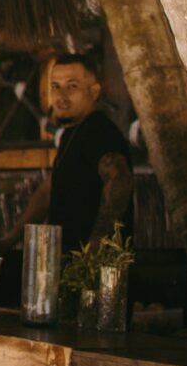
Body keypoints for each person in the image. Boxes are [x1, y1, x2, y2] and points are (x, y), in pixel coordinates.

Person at [8, 54, 134, 256]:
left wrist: (94, 249)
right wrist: (9, 240)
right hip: (68, 263)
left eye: (72, 86)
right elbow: (48, 191)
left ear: (94, 91)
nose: (61, 95)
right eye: (55, 86)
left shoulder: (99, 131)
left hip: (91, 272)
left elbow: (120, 182)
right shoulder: (72, 134)